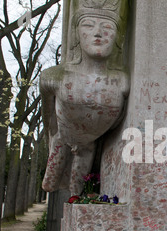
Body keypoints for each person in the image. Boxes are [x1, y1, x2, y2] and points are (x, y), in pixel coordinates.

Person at [40, 1, 129, 196]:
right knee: (55, 184)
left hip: (93, 146)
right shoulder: (53, 77)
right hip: (64, 138)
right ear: (77, 33)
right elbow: (49, 117)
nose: (98, 33)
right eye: (89, 25)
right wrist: (57, 137)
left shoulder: (123, 82)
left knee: (77, 192)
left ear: (117, 37)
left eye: (107, 27)